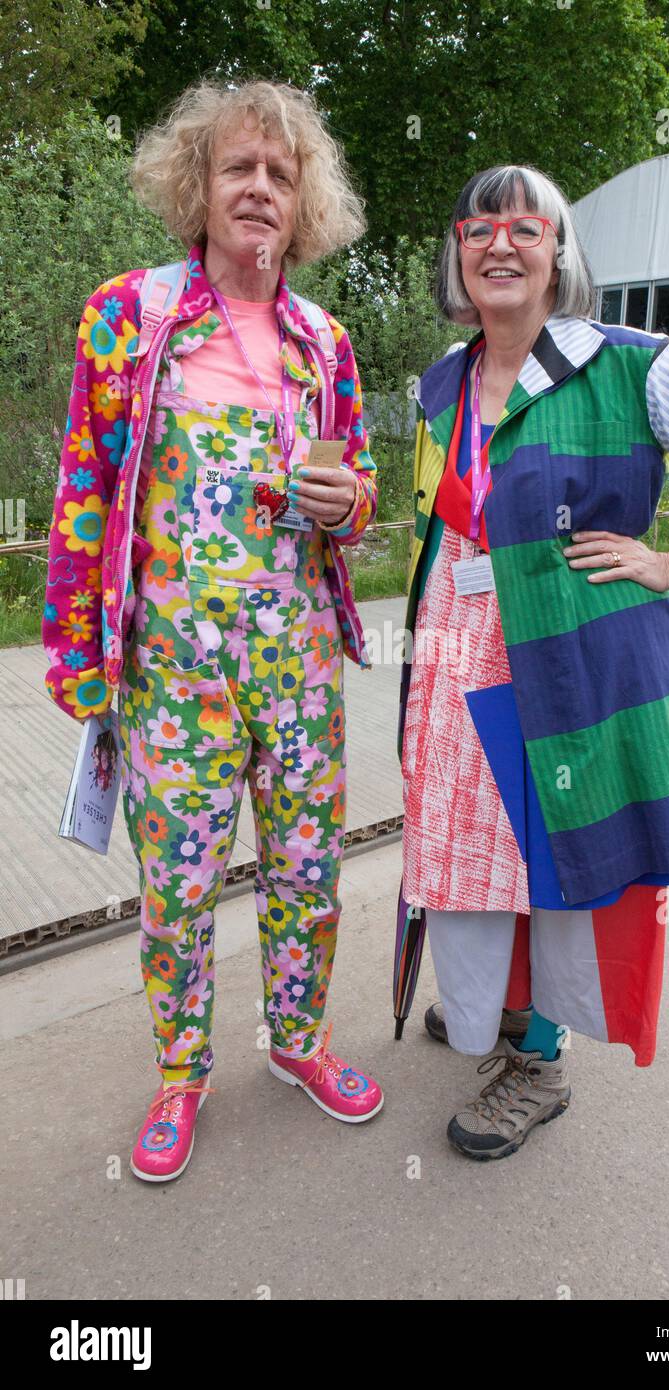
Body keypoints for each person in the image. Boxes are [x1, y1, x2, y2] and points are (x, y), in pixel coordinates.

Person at [399, 164, 669, 1162]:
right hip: (453, 667)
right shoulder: (444, 382)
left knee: (555, 859)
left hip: (571, 672)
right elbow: (444, 525)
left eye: (525, 228)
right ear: (458, 254)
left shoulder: (633, 364)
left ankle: (540, 1062)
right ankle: (492, 1010)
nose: (499, 244)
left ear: (560, 255)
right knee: (474, 850)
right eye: (477, 228)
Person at [43, 80, 383, 1184]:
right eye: (240, 167)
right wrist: (77, 654)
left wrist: (353, 506)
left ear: (304, 204)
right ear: (198, 182)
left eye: (281, 176)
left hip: (297, 666)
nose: (260, 189)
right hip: (171, 672)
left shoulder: (323, 344)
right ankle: (181, 1077)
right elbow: (83, 491)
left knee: (307, 872)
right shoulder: (131, 315)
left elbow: (360, 483)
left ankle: (296, 1043)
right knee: (180, 889)